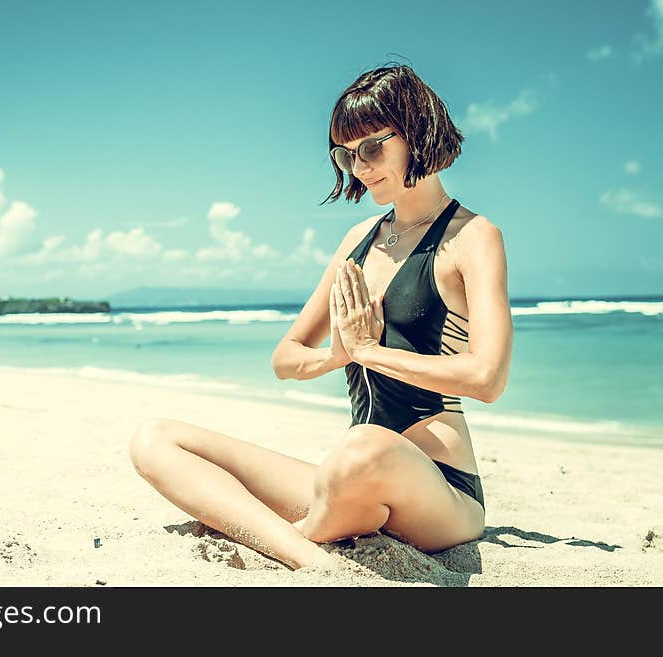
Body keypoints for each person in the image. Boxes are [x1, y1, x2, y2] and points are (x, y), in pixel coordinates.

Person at [129, 63, 513, 571]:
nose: (359, 167)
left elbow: (486, 378)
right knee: (156, 440)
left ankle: (300, 537)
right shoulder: (357, 241)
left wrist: (371, 354)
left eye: (371, 148)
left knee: (363, 449)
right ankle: (306, 556)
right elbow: (285, 360)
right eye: (345, 154)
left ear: (416, 131)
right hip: (348, 481)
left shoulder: (471, 237)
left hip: (439, 489)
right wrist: (339, 355)